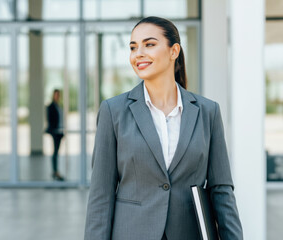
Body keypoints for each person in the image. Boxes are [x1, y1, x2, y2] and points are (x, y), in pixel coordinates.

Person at [84, 16, 243, 240]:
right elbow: (101, 194)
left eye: (149, 44)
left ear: (173, 51)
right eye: (133, 47)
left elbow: (222, 191)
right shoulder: (114, 111)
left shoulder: (208, 112)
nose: (138, 53)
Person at [46, 89, 65, 181]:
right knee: (55, 152)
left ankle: (55, 171)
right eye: (56, 95)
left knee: (56, 152)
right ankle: (55, 171)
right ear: (53, 95)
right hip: (55, 132)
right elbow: (50, 120)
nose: (57, 96)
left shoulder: (59, 106)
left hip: (60, 132)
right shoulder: (51, 106)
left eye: (59, 95)